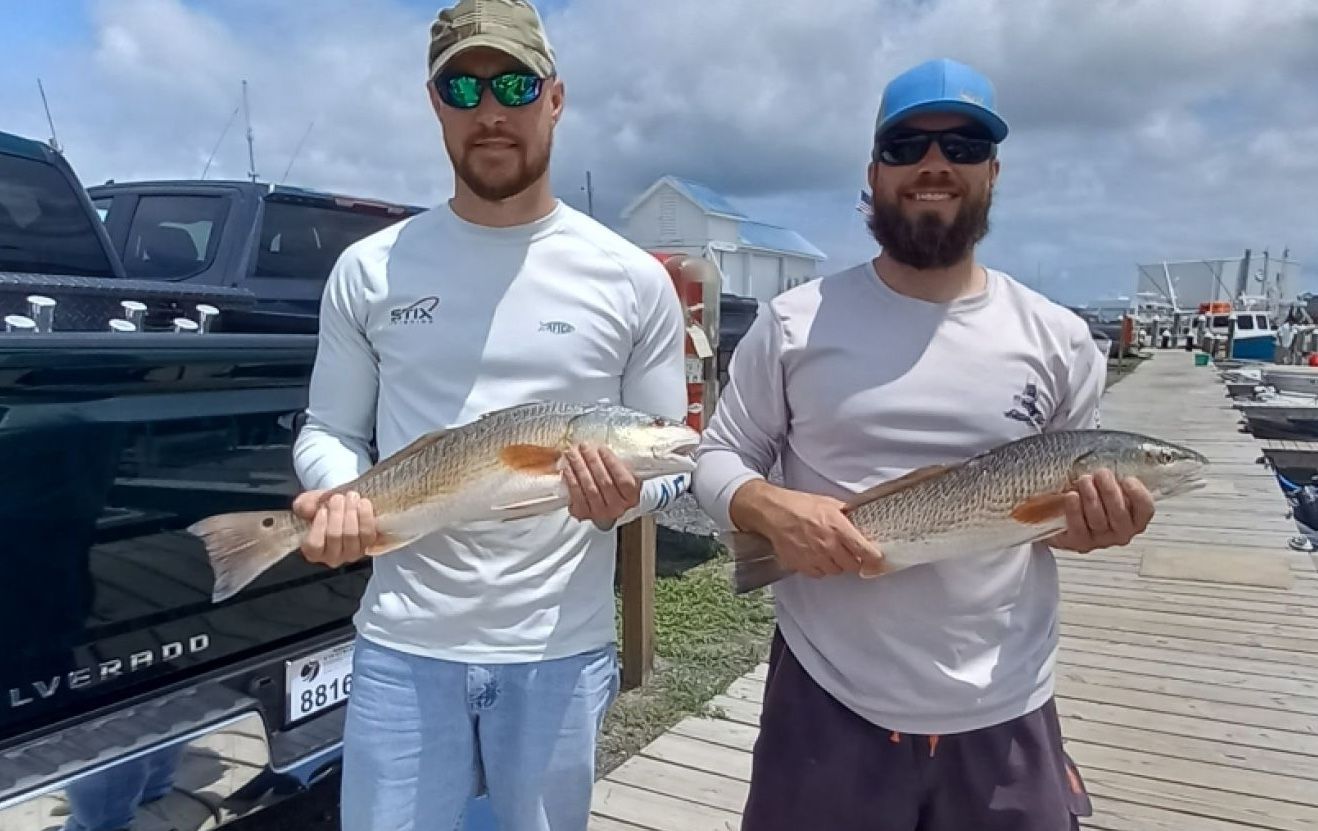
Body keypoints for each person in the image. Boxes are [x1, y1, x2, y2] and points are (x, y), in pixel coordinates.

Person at [691, 58, 1156, 830]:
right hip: (826, 699)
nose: (934, 164)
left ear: (994, 171)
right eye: (907, 146)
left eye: (963, 145)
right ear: (874, 172)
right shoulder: (795, 321)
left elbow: (1055, 521)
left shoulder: (1060, 338)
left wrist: (1096, 528)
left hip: (1006, 704)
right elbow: (716, 456)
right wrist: (770, 508)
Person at [288, 1, 689, 828]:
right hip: (402, 645)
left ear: (556, 96)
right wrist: (340, 498)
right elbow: (328, 430)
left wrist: (627, 496)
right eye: (461, 88)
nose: (490, 110)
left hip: (559, 655)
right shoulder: (369, 269)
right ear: (434, 103)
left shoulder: (630, 278)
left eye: (513, 82)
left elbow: (670, 452)